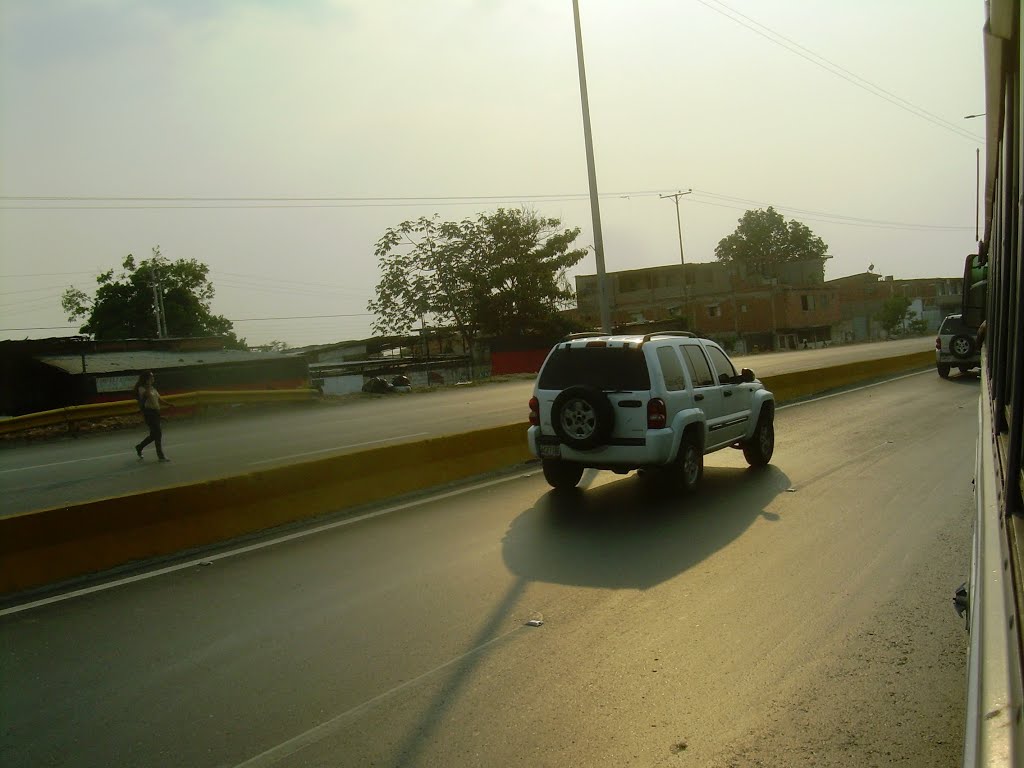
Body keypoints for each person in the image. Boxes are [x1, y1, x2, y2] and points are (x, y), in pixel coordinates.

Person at [134, 371, 173, 462]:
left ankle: (139, 447)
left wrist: (169, 404)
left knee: (154, 435)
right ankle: (161, 456)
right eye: (151, 377)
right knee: (158, 434)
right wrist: (148, 386)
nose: (153, 378)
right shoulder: (142, 388)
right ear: (147, 379)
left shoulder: (153, 388)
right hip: (149, 413)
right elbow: (147, 396)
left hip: (156, 412)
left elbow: (159, 399)